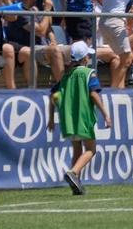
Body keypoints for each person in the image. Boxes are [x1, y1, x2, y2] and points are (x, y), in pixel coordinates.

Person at [48, 41, 109, 196]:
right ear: (84, 59)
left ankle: (76, 184)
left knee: (77, 150)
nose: (89, 57)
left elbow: (52, 96)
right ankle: (74, 172)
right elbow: (94, 94)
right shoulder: (89, 74)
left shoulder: (66, 76)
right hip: (83, 118)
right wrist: (106, 114)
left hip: (68, 120)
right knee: (91, 149)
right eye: (88, 55)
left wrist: (50, 118)